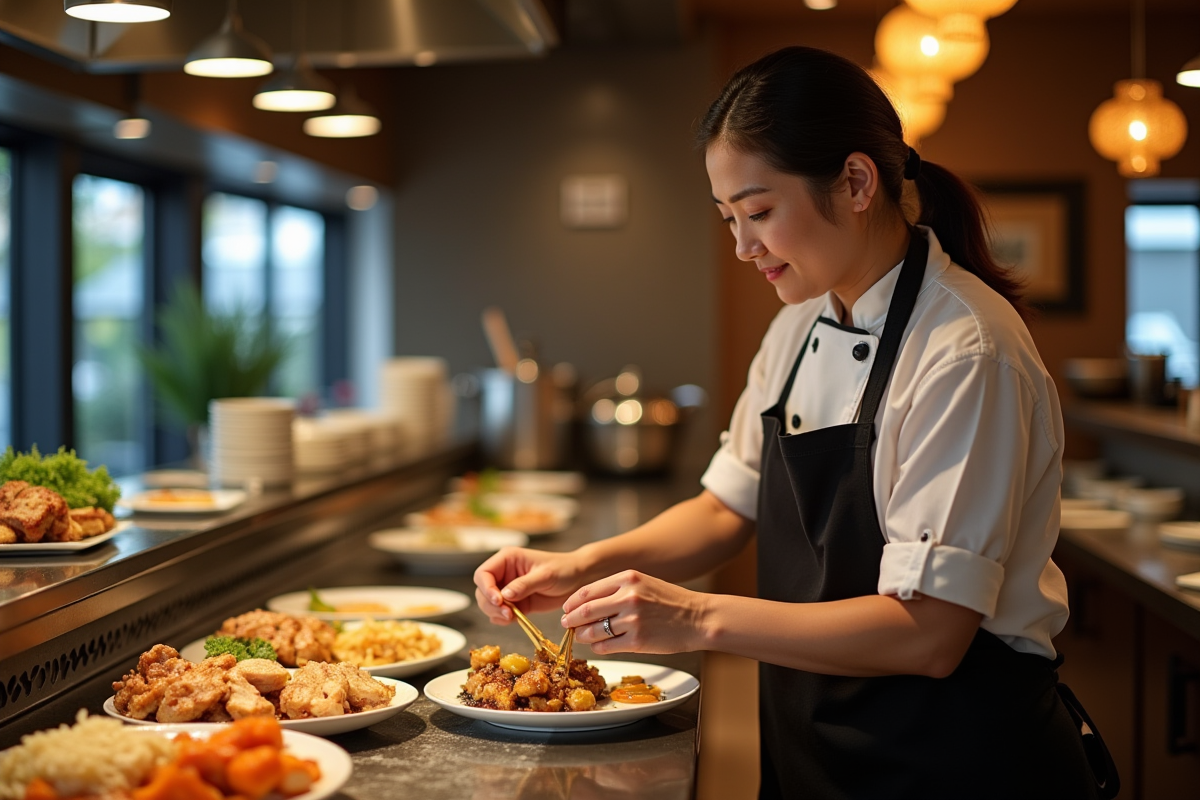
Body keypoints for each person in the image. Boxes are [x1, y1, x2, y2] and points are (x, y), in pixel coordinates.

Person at [474, 46, 1112, 799]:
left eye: (760, 212)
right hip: (817, 750)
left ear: (855, 181)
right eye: (728, 219)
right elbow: (723, 508)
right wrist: (580, 568)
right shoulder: (800, 324)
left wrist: (699, 618)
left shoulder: (967, 351)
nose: (744, 247)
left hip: (955, 761)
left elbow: (932, 633)